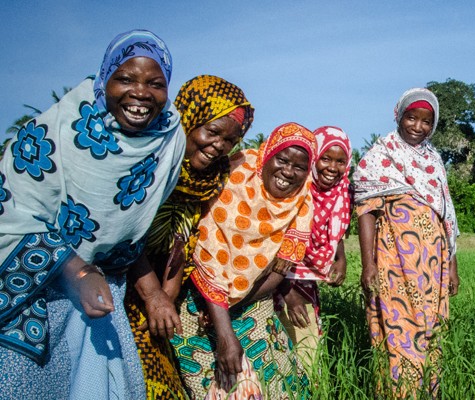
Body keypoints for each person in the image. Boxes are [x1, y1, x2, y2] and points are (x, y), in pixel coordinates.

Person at [0, 30, 186, 399]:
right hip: (35, 296)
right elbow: (10, 213)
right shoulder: (55, 132)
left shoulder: (167, 141)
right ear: (104, 79)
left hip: (102, 300)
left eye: (155, 83)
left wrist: (151, 295)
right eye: (126, 78)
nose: (141, 93)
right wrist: (78, 271)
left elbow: (130, 237)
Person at [124, 75, 254, 400]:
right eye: (212, 132)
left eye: (230, 140)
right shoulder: (147, 161)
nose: (219, 147)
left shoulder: (209, 178)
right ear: (188, 120)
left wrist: (166, 296)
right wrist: (154, 296)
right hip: (114, 281)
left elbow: (184, 244)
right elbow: (125, 233)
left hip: (158, 289)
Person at [171, 122, 316, 399]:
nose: (288, 172)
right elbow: (206, 253)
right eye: (282, 159)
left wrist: (234, 303)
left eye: (299, 167)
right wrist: (223, 328)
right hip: (198, 306)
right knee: (213, 386)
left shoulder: (301, 202)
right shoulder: (235, 178)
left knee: (275, 384)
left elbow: (279, 271)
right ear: (266, 155)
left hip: (253, 302)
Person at [352, 88, 460, 398]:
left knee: (432, 327)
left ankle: (430, 391)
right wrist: (368, 264)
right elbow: (366, 211)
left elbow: (446, 214)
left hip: (434, 263)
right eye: (411, 118)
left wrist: (452, 265)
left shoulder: (434, 160)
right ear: (399, 116)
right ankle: (400, 393)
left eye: (426, 121)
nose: (418, 126)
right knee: (399, 324)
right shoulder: (381, 155)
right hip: (395, 258)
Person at [275, 125, 351, 363]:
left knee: (307, 351)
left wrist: (340, 258)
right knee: (280, 349)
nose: (332, 168)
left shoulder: (341, 192)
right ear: (314, 158)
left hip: (306, 283)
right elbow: (272, 243)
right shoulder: (294, 187)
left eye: (340, 161)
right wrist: (288, 293)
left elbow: (335, 231)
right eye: (325, 158)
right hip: (272, 281)